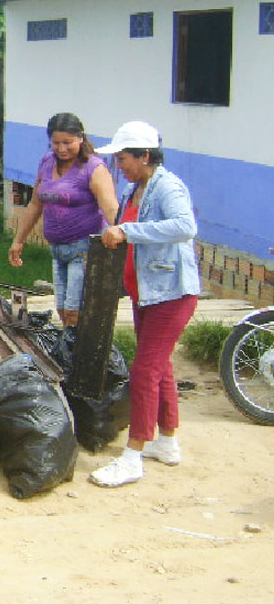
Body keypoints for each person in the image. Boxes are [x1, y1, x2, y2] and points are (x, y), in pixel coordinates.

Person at [89, 121, 201, 488]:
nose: (119, 165)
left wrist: (129, 231)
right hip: (146, 292)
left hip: (172, 293)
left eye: (123, 158)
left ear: (145, 156)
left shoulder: (168, 187)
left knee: (144, 371)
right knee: (161, 366)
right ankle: (167, 442)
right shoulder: (134, 188)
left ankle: (133, 455)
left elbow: (185, 226)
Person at [8, 113, 118, 326]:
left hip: (83, 251)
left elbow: (110, 207)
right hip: (57, 251)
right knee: (62, 310)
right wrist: (18, 239)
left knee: (74, 312)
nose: (61, 148)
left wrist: (123, 234)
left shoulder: (93, 168)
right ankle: (70, 349)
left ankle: (78, 354)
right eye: (56, 143)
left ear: (81, 138)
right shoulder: (46, 163)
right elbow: (35, 204)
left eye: (67, 143)